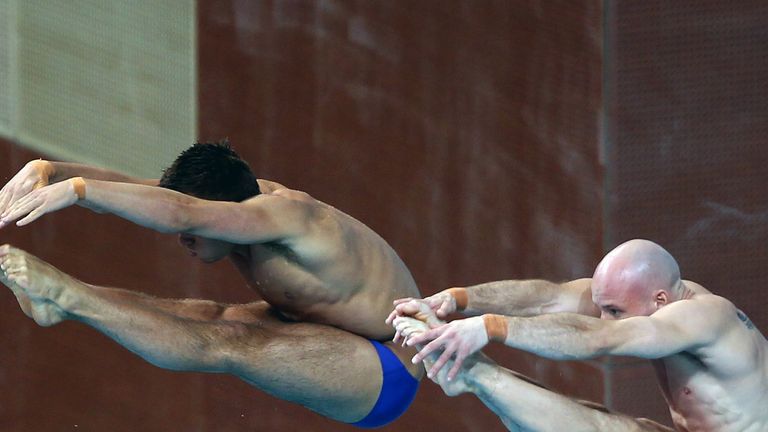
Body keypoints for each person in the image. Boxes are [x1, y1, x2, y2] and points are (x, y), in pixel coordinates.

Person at [0, 141, 423, 427]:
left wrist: (78, 190)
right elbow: (144, 193)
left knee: (230, 341)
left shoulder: (283, 216)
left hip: (388, 368)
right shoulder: (232, 196)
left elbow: (181, 213)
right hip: (328, 329)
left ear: (220, 211)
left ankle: (67, 296)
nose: (184, 239)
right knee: (208, 315)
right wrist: (50, 170)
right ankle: (59, 302)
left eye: (194, 231)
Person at [389, 239, 768, 431]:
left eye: (614, 311)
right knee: (589, 420)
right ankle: (474, 374)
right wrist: (457, 299)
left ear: (660, 300)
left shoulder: (702, 318)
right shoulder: (652, 298)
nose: (604, 316)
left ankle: (474, 373)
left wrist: (489, 327)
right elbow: (549, 297)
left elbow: (598, 338)